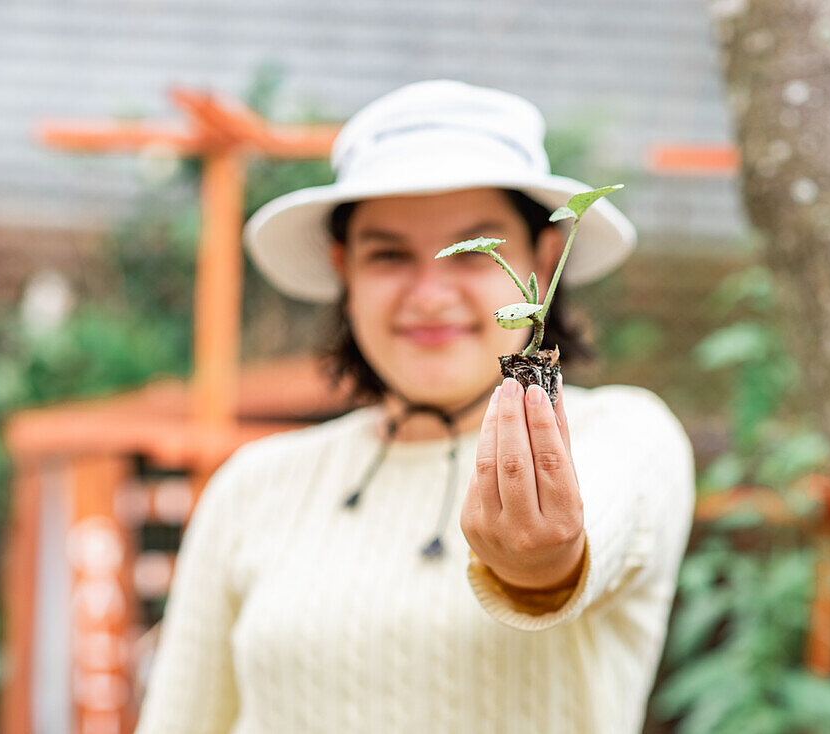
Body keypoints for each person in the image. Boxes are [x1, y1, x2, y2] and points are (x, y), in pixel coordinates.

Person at [134, 79, 695, 734]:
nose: (430, 294)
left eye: (475, 251)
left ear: (544, 258)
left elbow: (596, 533)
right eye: (389, 255)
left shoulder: (622, 435)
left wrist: (541, 567)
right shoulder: (252, 487)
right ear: (344, 270)